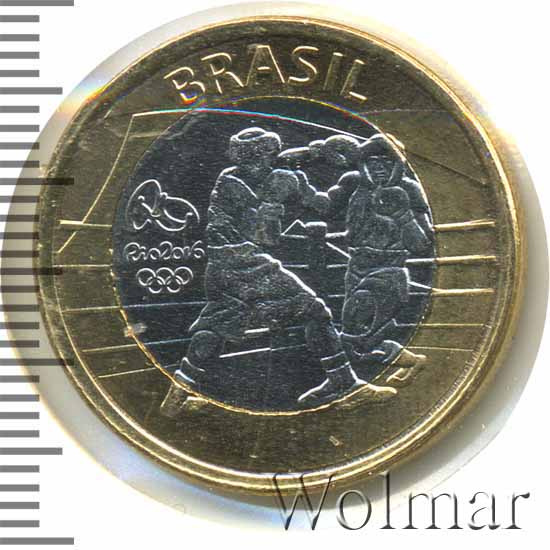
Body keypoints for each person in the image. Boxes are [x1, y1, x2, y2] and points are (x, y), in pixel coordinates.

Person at [161, 127, 395, 416]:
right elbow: (269, 229)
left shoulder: (245, 177)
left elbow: (322, 204)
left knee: (216, 325)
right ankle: (344, 383)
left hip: (222, 267)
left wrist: (319, 160)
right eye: (264, 154)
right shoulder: (241, 182)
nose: (265, 159)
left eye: (268, 154)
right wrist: (338, 176)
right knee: (315, 311)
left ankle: (177, 395)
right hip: (245, 263)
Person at [282, 133, 433, 399]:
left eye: (386, 162)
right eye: (373, 162)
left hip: (389, 270)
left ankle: (342, 385)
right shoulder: (353, 182)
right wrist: (298, 179)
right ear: (363, 163)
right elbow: (324, 206)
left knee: (353, 329)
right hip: (356, 268)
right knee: (358, 344)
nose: (379, 168)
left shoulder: (408, 189)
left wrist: (403, 216)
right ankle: (412, 361)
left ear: (398, 164)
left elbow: (422, 245)